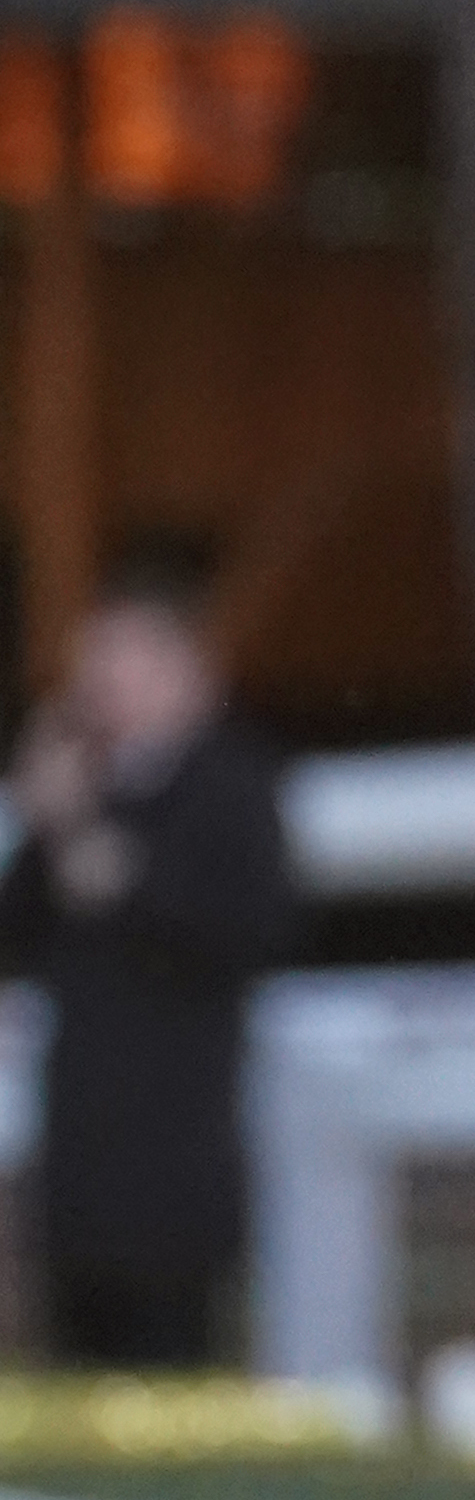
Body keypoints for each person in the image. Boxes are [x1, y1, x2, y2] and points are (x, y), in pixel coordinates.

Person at [0, 540, 293, 1367]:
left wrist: (122, 879)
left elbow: (245, 930)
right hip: (83, 1134)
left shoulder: (231, 782)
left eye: (119, 661)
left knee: (172, 1343)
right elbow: (19, 927)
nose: (100, 686)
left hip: (178, 1129)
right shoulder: (89, 786)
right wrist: (45, 817)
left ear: (180, 666)